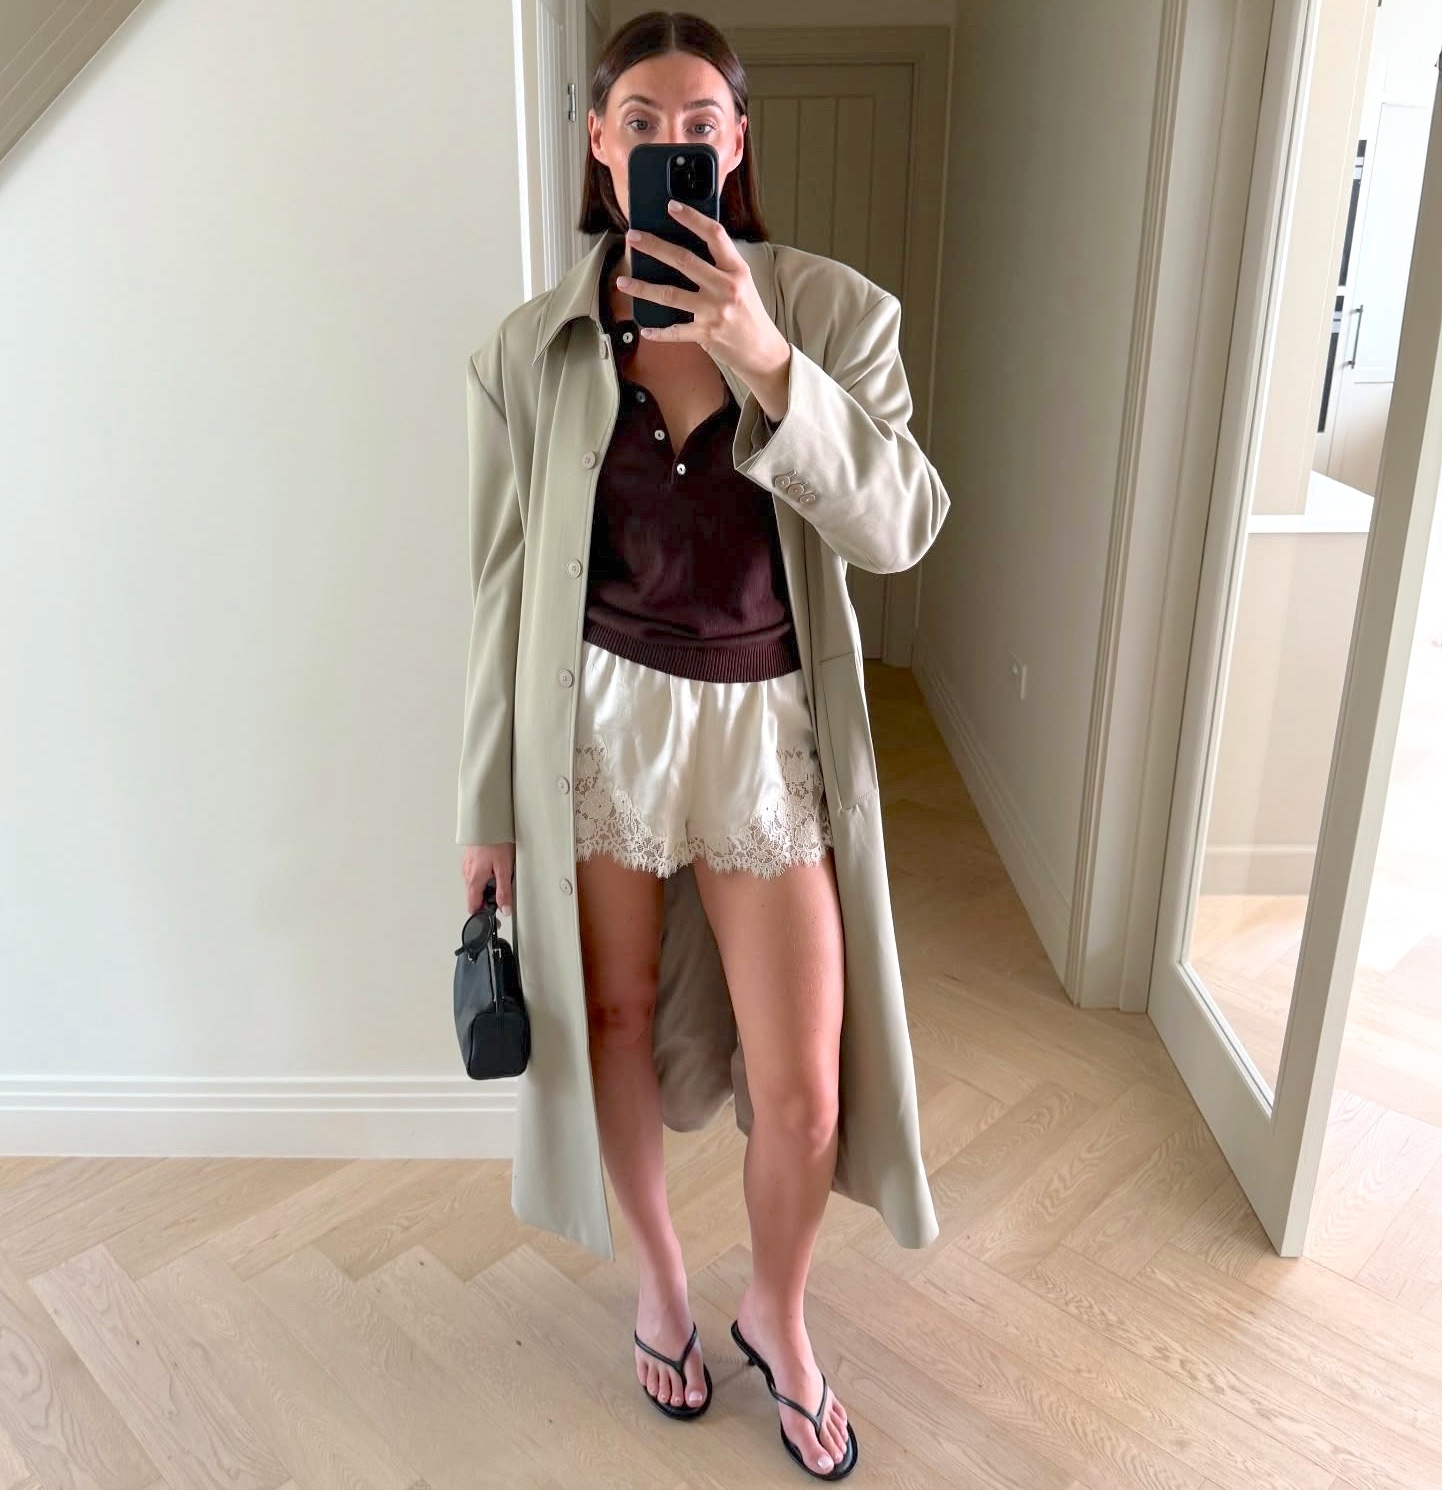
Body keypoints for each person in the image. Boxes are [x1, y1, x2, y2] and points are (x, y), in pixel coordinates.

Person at [458, 10, 948, 1482]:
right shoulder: (529, 349)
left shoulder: (835, 315)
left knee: (804, 1087)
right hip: (596, 725)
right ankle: (661, 1284)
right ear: (597, 147)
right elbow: (497, 587)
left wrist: (764, 356)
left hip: (761, 733)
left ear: (736, 142)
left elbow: (903, 526)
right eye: (638, 122)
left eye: (697, 124)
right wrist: (483, 809)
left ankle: (776, 1313)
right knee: (603, 1023)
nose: (668, 144)